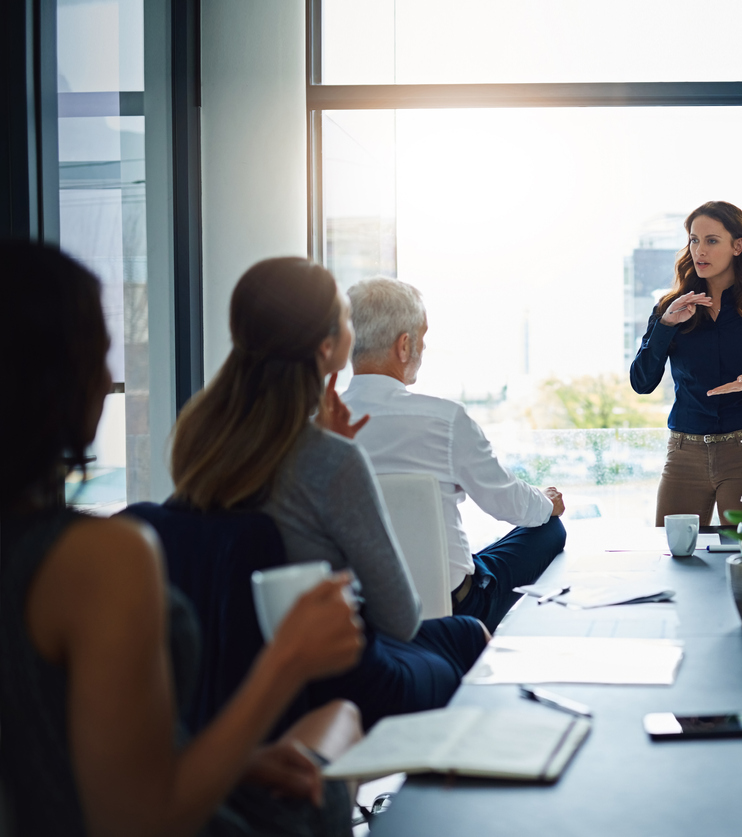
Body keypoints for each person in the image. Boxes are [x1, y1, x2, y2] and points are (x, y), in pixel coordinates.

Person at [0, 241, 364, 837]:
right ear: (52, 376)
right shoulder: (101, 557)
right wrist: (287, 660)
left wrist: (239, 765)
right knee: (341, 720)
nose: (109, 374)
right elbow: (138, 823)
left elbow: (63, 761)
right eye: (100, 350)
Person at [169, 258, 489, 727]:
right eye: (345, 317)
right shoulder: (329, 458)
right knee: (470, 635)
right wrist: (337, 453)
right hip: (338, 670)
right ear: (328, 345)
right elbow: (400, 618)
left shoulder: (200, 439)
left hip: (244, 663)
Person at [340, 278, 567, 632]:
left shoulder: (315, 425)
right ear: (404, 346)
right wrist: (546, 501)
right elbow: (508, 503)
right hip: (455, 610)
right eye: (422, 337)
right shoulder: (444, 420)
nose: (423, 347)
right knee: (549, 528)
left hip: (358, 614)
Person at [630, 201, 742, 526]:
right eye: (694, 240)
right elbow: (642, 383)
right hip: (684, 455)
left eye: (712, 240)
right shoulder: (670, 308)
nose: (700, 250)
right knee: (675, 558)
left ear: (738, 245)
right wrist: (665, 327)